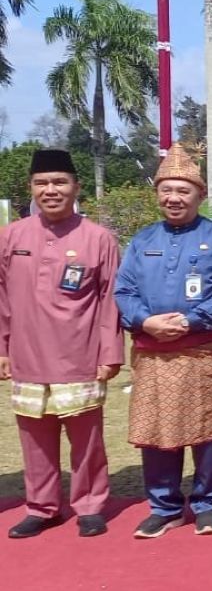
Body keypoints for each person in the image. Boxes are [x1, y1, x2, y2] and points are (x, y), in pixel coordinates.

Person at [115, 144, 212, 539]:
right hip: (154, 353)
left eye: (183, 191)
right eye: (166, 190)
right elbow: (123, 291)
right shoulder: (142, 240)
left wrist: (190, 321)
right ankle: (164, 505)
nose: (174, 198)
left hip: (204, 351)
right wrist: (145, 321)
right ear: (157, 193)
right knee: (157, 431)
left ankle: (207, 503)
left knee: (209, 430)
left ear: (199, 196)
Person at [0, 150, 123, 539]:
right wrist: (2, 349)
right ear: (31, 188)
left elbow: (110, 301)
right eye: (42, 183)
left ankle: (89, 505)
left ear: (75, 187)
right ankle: (42, 506)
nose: (51, 190)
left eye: (59, 182)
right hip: (26, 355)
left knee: (86, 441)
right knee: (34, 438)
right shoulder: (11, 237)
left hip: (80, 355)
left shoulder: (98, 239)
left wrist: (110, 353)